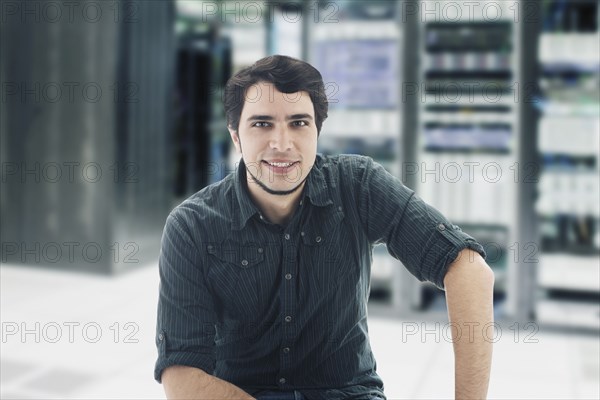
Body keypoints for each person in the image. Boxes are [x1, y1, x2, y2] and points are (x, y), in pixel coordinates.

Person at [154, 55, 494, 400]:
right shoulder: (191, 225)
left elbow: (468, 269)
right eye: (262, 124)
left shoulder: (358, 185)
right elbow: (181, 376)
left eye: (299, 123)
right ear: (236, 136)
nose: (282, 144)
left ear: (318, 131)